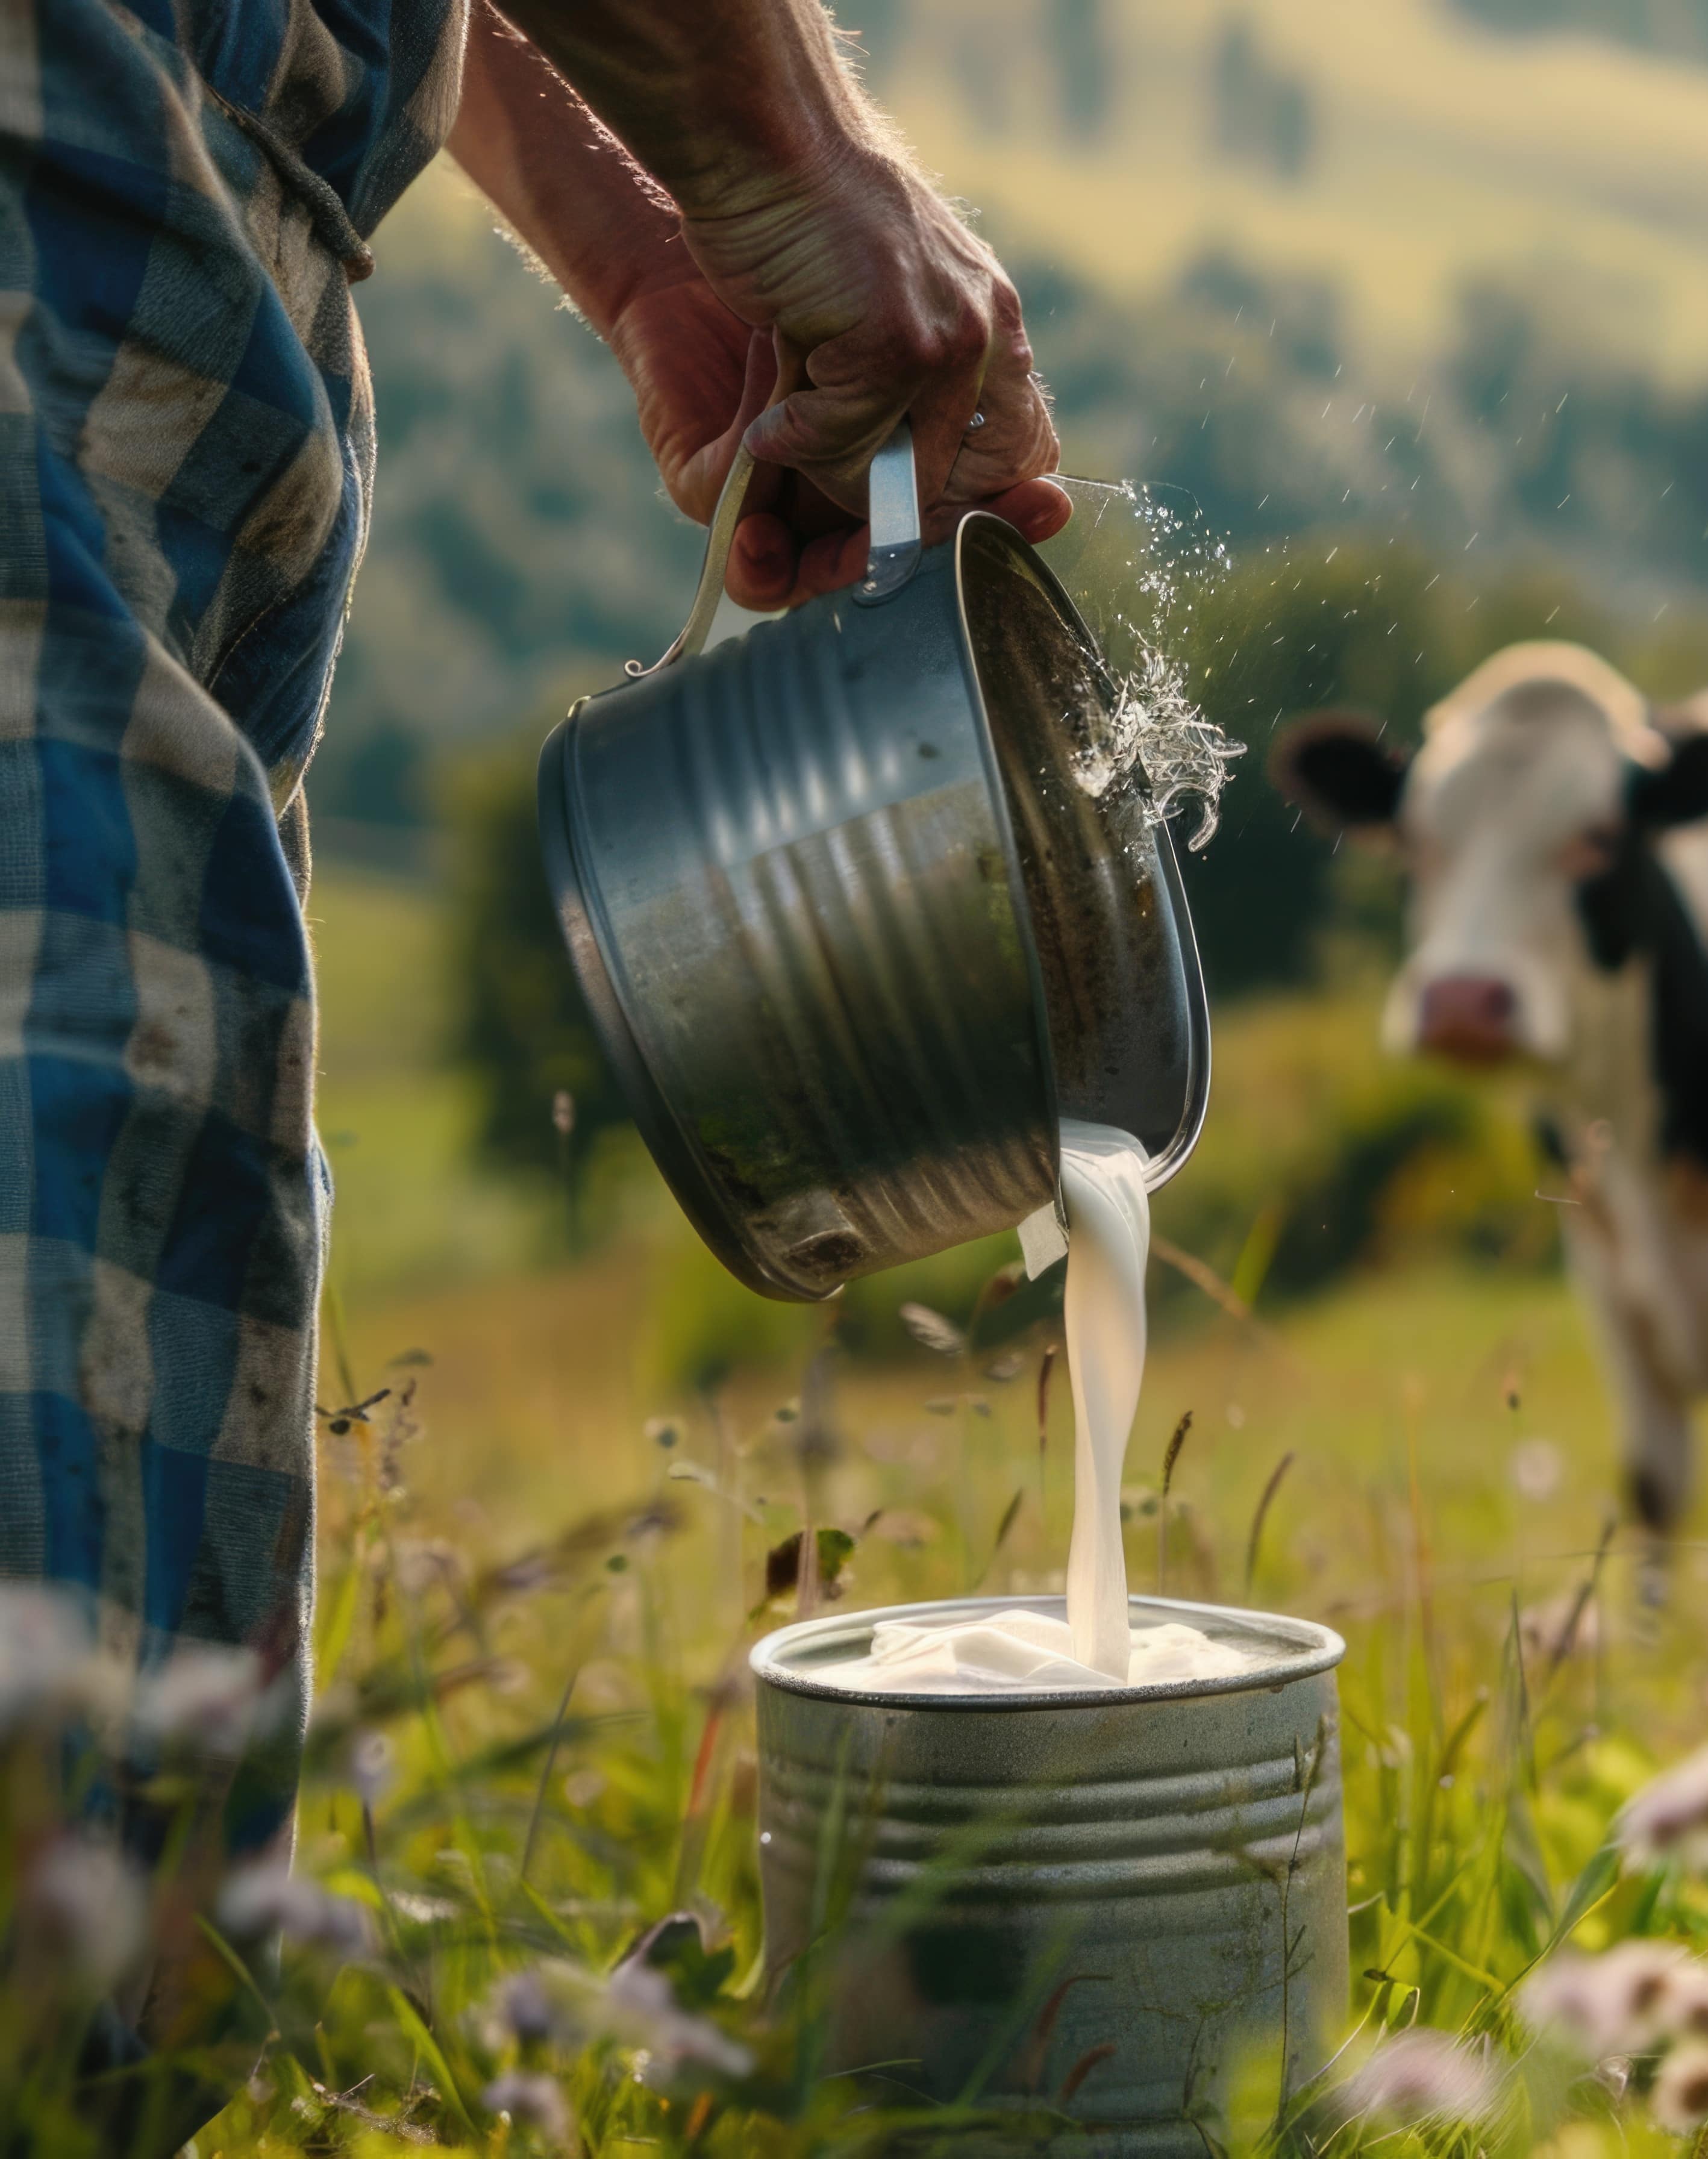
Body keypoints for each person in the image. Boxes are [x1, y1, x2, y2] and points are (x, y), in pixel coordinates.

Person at [0, 1, 1065, 2140]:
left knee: (162, 1177)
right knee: (67, 1116)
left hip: (237, 229)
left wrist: (642, 239)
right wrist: (798, 151)